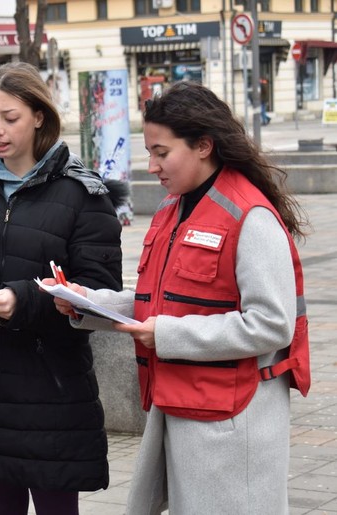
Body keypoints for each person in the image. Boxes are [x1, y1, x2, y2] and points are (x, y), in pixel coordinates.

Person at [49, 81, 310, 514]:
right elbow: (163, 303)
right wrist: (90, 304)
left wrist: (167, 334)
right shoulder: (175, 208)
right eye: (149, 151)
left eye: (161, 152)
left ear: (204, 145)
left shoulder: (250, 216)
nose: (151, 165)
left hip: (233, 421)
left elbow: (271, 323)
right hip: (184, 406)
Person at [0, 62, 127, 515]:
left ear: (38, 116)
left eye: (9, 118)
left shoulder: (83, 194)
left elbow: (101, 292)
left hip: (49, 392)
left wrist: (23, 299)